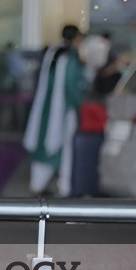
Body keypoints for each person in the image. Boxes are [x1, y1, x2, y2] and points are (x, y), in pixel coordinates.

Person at [24, 23, 87, 196]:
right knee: (63, 147)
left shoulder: (52, 52)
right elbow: (72, 86)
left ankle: (37, 185)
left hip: (45, 106)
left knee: (43, 143)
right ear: (76, 38)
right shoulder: (69, 56)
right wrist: (82, 103)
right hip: (62, 111)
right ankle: (64, 187)